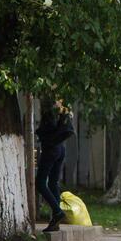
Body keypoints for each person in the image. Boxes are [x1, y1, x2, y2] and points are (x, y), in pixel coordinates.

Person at [35, 98, 75, 232]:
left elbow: (49, 129)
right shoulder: (64, 109)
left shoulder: (51, 109)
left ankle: (57, 212)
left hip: (51, 149)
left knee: (40, 183)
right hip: (60, 148)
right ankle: (55, 221)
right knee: (53, 183)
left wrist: (39, 132)